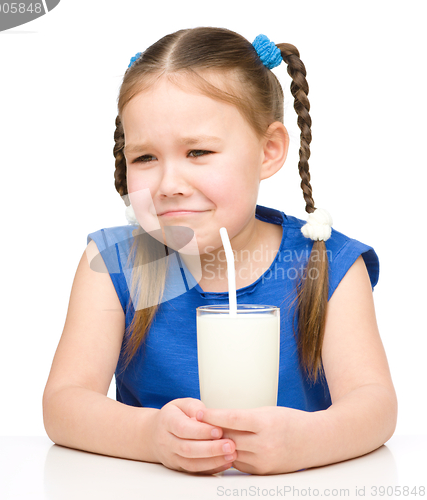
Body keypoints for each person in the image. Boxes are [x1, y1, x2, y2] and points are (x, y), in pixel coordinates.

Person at [42, 27, 397, 475]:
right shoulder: (115, 264)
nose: (169, 185)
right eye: (145, 158)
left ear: (268, 151)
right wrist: (150, 436)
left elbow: (375, 404)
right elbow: (63, 405)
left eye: (199, 151)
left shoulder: (325, 265)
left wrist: (305, 441)